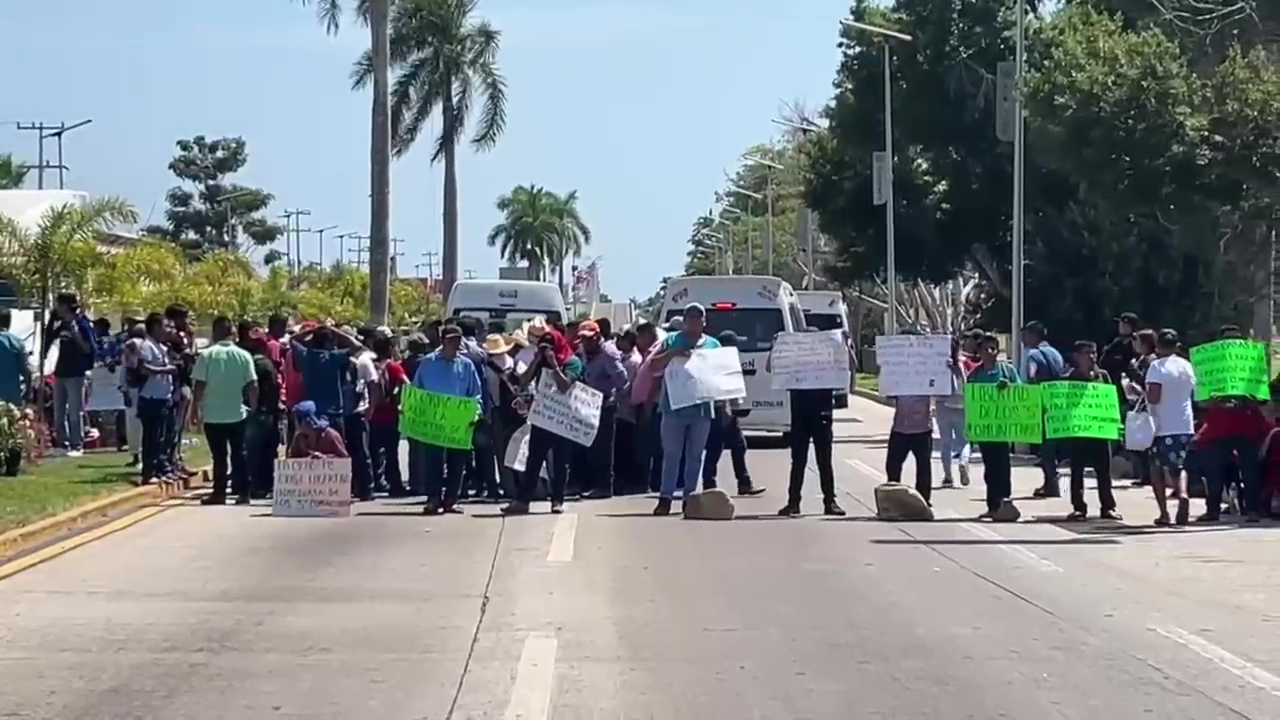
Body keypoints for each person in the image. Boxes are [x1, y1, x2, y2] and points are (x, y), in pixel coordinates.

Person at [646, 303, 723, 516]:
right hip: (673, 408)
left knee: (695, 454)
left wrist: (726, 405)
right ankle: (666, 497)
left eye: (698, 318)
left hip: (701, 410)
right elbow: (653, 366)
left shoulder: (713, 345)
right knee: (671, 454)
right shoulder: (671, 340)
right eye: (690, 318)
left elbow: (721, 376)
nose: (694, 322)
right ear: (685, 320)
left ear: (704, 322)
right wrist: (674, 353)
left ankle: (690, 497)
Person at [502, 328, 583, 515]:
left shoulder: (572, 362)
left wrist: (554, 365)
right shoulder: (541, 363)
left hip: (562, 418)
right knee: (534, 460)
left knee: (560, 461)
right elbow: (523, 381)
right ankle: (523, 500)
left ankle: (557, 500)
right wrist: (537, 361)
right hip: (542, 418)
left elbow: (564, 387)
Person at [1193, 325, 1269, 523]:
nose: (1232, 344)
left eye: (1236, 339)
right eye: (1228, 340)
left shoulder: (1250, 365)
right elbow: (1201, 401)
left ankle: (1252, 510)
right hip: (1219, 427)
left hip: (1247, 426)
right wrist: (1215, 403)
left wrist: (1250, 400)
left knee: (1250, 471)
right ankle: (1213, 510)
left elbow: (1262, 399)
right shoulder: (1211, 366)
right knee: (1215, 471)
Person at [770, 327, 846, 517]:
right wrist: (776, 348)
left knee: (824, 461)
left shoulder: (827, 362)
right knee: (798, 461)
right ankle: (793, 502)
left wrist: (845, 346)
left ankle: (830, 502)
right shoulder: (795, 361)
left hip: (822, 415)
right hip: (800, 415)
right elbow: (771, 368)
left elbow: (847, 367)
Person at [414, 324, 483, 515]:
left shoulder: (466, 365)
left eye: (458, 339)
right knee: (432, 461)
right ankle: (433, 499)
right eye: (451, 339)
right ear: (443, 340)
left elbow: (475, 394)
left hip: (458, 421)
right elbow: (417, 389)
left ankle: (451, 500)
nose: (455, 342)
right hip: (433, 421)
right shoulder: (428, 363)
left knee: (457, 462)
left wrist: (475, 413)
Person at [192, 316, 258, 506]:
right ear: (232, 333)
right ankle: (243, 493)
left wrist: (195, 410)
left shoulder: (206, 355)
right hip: (237, 414)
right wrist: (253, 406)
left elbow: (199, 386)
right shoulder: (243, 355)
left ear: (215, 332)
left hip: (213, 415)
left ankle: (219, 493)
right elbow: (252, 385)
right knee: (240, 453)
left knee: (219, 457)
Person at [1061, 341, 1121, 520]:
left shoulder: (1102, 376)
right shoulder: (1072, 378)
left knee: (1103, 471)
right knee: (1077, 471)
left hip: (1100, 432)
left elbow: (1111, 400)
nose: (1092, 357)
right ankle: (1079, 507)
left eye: (1094, 353)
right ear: (1077, 357)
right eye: (1087, 353)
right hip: (1080, 433)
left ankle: (1108, 507)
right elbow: (1065, 405)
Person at [967, 333, 1022, 521]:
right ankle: (992, 506)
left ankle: (1005, 502)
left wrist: (1010, 388)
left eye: (994, 348)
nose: (990, 352)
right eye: (986, 349)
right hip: (985, 431)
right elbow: (971, 400)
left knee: (1003, 467)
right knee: (990, 468)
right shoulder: (975, 375)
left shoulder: (1007, 371)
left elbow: (1021, 393)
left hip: (1003, 429)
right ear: (979, 352)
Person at [701, 330, 763, 496]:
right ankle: (710, 484)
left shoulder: (729, 361)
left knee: (736, 445)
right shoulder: (717, 363)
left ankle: (742, 483)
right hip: (719, 411)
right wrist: (725, 409)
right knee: (716, 448)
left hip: (728, 411)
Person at [1145, 328, 1196, 526]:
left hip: (1161, 426)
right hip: (1184, 424)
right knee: (1179, 466)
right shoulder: (1186, 366)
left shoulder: (1156, 367)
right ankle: (1182, 493)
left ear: (1157, 346)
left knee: (1157, 468)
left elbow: (1154, 397)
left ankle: (1164, 513)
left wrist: (1141, 392)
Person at [573, 320, 628, 499]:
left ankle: (605, 486)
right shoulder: (584, 352)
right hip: (587, 404)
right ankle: (592, 484)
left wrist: (613, 400)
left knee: (603, 449)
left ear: (597, 337)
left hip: (605, 405)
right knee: (591, 446)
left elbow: (623, 381)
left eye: (589, 339)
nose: (586, 342)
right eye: (583, 339)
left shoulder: (608, 354)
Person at [43, 292, 96, 456]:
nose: (56, 308)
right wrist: (51, 322)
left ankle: (76, 444)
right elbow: (48, 338)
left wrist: (76, 334)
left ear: (66, 305)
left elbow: (90, 349)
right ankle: (62, 443)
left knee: (74, 411)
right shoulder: (61, 324)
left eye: (59, 304)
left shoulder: (82, 323)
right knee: (59, 411)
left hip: (76, 373)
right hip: (60, 372)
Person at [1022, 321, 1066, 498]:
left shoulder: (1033, 354)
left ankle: (1051, 483)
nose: (1023, 339)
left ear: (1034, 335)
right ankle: (1051, 481)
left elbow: (1031, 374)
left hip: (1041, 404)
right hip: (1057, 403)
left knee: (1046, 447)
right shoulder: (1055, 353)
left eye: (1025, 335)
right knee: (1052, 444)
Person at [482, 333, 525, 498]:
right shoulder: (515, 363)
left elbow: (487, 394)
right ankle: (524, 485)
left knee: (502, 453)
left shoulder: (487, 369)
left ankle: (509, 488)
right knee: (520, 451)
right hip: (518, 413)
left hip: (498, 412)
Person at [241, 327, 281, 499]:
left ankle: (258, 486)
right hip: (267, 412)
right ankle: (265, 485)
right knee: (266, 451)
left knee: (255, 452)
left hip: (259, 411)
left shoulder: (255, 363)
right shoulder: (264, 363)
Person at [136, 312, 177, 484]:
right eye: (165, 326)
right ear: (155, 327)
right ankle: (148, 472)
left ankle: (161, 469)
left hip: (162, 397)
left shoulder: (161, 346)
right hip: (151, 398)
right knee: (152, 437)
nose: (168, 330)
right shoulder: (147, 346)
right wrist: (166, 370)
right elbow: (143, 368)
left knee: (162, 436)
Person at [368, 334, 409, 497]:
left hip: (373, 415)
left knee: (372, 452)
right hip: (391, 416)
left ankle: (372, 484)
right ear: (390, 349)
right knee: (392, 454)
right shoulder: (393, 367)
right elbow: (407, 384)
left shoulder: (370, 365)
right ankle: (395, 485)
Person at [164, 304, 197, 474]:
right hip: (175, 385)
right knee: (173, 426)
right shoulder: (171, 338)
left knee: (179, 427)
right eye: (184, 317)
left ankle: (176, 459)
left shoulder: (187, 335)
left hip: (186, 382)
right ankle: (170, 461)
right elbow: (183, 357)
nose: (187, 321)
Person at [936, 336, 972, 488]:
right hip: (961, 405)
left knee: (945, 443)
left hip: (942, 404)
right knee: (964, 440)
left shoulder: (937, 363)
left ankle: (948, 476)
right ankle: (963, 461)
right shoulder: (964, 362)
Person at [401, 333, 432, 495]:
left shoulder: (404, 363)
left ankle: (416, 483)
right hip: (428, 408)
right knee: (428, 446)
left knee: (414, 447)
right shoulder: (428, 363)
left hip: (411, 408)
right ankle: (427, 482)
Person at [0, 308, 31, 408]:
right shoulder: (16, 342)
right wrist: (28, 391)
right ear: (9, 322)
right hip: (11, 399)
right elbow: (26, 371)